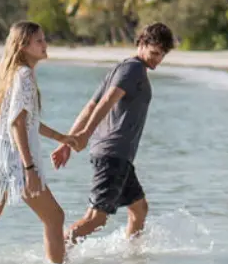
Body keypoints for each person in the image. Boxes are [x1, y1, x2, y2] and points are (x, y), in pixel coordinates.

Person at [0, 21, 76, 264]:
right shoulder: (25, 75)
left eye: (43, 39)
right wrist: (29, 169)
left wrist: (61, 138)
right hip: (15, 162)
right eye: (39, 41)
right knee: (54, 217)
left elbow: (27, 121)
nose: (45, 44)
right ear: (23, 46)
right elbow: (17, 125)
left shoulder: (13, 73)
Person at [55, 22, 172, 244]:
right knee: (95, 219)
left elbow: (90, 106)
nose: (158, 60)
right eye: (154, 53)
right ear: (142, 44)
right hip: (113, 154)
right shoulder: (133, 69)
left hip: (118, 156)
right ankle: (57, 255)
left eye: (162, 55)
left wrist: (66, 143)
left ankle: (132, 259)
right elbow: (106, 102)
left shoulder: (121, 68)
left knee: (139, 209)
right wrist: (83, 135)